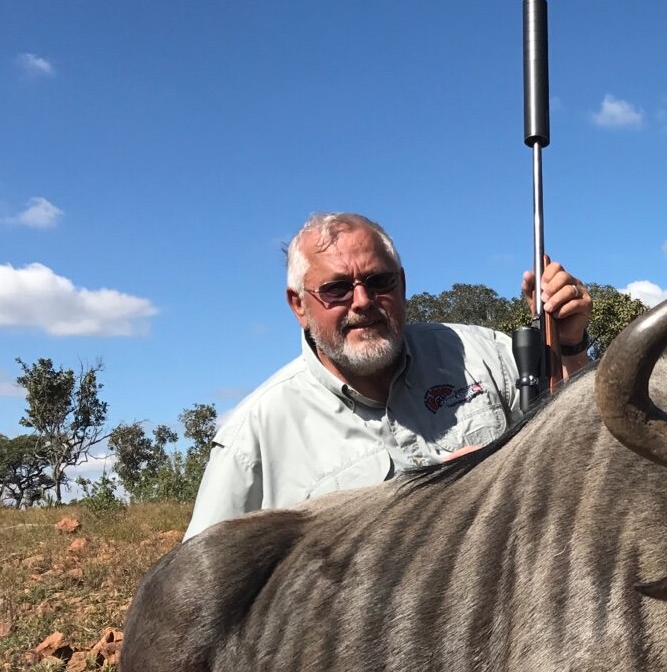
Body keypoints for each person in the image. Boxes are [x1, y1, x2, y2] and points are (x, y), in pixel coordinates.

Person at [185, 211, 591, 538]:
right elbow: (197, 593)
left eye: (379, 281)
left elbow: (580, 446)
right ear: (298, 306)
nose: (362, 302)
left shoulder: (485, 353)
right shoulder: (253, 439)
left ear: (402, 284)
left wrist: (570, 344)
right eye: (336, 289)